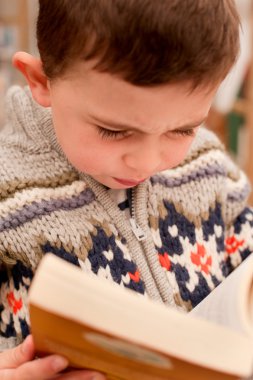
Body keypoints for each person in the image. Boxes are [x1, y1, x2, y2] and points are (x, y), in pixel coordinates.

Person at [0, 0, 251, 379]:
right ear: (40, 81)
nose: (147, 162)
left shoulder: (210, 169)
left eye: (183, 129)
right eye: (114, 131)